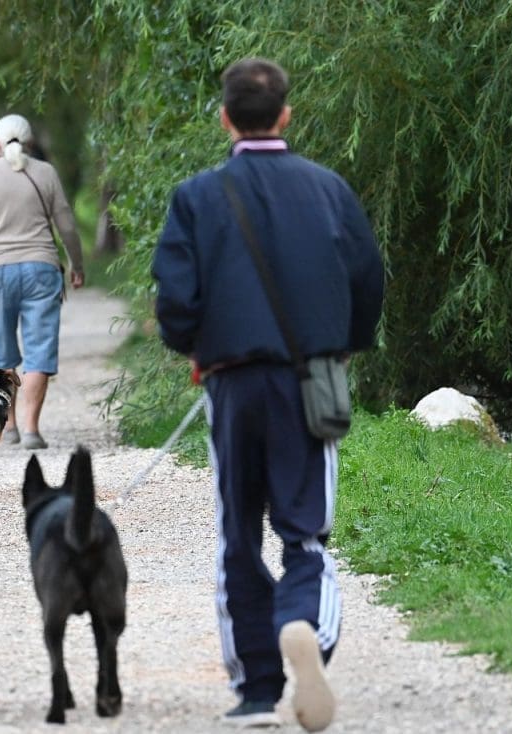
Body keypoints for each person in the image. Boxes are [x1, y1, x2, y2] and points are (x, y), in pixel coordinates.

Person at [151, 58, 384, 731]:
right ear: (285, 114)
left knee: (238, 533)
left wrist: (193, 346)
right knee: (304, 530)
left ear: (225, 118)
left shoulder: (196, 197)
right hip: (307, 382)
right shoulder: (328, 189)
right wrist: (345, 344)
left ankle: (255, 689)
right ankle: (301, 621)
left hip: (230, 382)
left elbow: (174, 298)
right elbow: (367, 277)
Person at [0, 114, 85, 451]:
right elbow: (66, 224)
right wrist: (76, 264)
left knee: (2, 349)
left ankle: (8, 425)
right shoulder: (46, 172)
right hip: (42, 269)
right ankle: (31, 429)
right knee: (39, 350)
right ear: (29, 143)